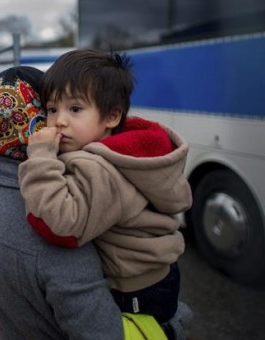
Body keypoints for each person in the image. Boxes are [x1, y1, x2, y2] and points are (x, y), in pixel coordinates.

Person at [17, 49, 191, 329]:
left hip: (134, 291)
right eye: (52, 109)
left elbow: (61, 226)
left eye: (75, 109)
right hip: (156, 277)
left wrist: (40, 156)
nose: (59, 120)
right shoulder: (125, 150)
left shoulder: (100, 169)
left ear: (111, 116)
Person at [0, 66, 124, 339]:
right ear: (36, 123)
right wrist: (172, 323)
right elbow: (102, 331)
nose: (60, 121)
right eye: (51, 110)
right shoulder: (45, 217)